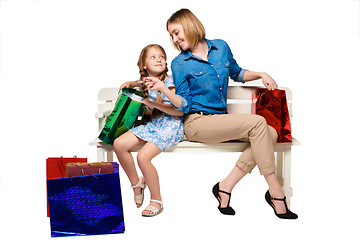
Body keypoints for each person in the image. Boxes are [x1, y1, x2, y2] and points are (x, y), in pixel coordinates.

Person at [148, 8, 297, 219]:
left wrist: (261, 73)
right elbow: (183, 104)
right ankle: (276, 192)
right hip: (197, 123)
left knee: (270, 133)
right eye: (171, 35)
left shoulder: (221, 47)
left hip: (222, 120)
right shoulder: (179, 63)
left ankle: (225, 186)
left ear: (189, 25)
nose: (174, 39)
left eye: (176, 32)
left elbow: (237, 72)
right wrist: (163, 90)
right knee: (259, 124)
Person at [113, 44, 184, 217]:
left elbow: (179, 111)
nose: (159, 59)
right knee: (119, 144)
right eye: (153, 57)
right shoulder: (145, 81)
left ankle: (157, 200)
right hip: (154, 125)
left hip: (171, 126)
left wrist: (151, 104)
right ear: (144, 65)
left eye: (161, 56)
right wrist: (130, 83)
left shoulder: (170, 81)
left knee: (143, 157)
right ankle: (137, 183)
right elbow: (140, 82)